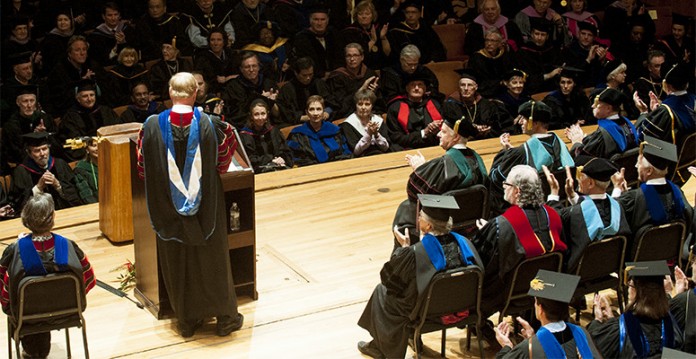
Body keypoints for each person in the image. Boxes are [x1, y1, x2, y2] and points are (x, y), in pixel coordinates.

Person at [136, 72, 243, 338]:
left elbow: (142, 169)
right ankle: (226, 319)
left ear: (170, 94)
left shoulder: (149, 127)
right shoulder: (215, 125)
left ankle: (187, 320)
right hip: (207, 205)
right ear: (196, 93)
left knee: (178, 261)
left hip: (167, 209)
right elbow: (222, 163)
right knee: (212, 259)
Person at [357, 194, 483, 359]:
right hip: (463, 309)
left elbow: (390, 281)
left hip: (426, 314)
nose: (417, 218)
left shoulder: (414, 253)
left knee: (382, 292)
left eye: (420, 217)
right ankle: (401, 340)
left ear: (428, 226)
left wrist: (402, 249)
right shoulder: (465, 243)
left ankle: (382, 349)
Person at [0, 193, 96, 358]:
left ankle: (31, 351)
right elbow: (89, 280)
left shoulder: (14, 250)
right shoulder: (69, 246)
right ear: (53, 217)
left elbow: (4, 293)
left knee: (25, 305)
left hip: (25, 317)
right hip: (68, 312)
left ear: (26, 218)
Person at [473, 164, 567, 320]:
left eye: (506, 184)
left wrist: (486, 231)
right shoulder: (554, 215)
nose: (503, 187)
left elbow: (484, 261)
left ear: (517, 191)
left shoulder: (502, 225)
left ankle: (480, 324)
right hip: (548, 288)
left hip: (510, 293)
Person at [391, 116, 486, 249]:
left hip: (445, 218)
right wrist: (427, 168)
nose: (438, 134)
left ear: (456, 137)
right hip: (471, 221)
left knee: (405, 208)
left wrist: (419, 169)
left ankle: (406, 256)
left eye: (443, 132)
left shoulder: (445, 163)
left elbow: (416, 194)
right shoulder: (478, 159)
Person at [543, 157, 631, 271]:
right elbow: (593, 211)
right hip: (608, 269)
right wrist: (572, 196)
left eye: (581, 177)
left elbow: (552, 218)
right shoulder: (618, 207)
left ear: (590, 183)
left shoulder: (574, 213)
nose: (578, 180)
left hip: (580, 274)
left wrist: (554, 192)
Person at [489, 100, 575, 216]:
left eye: (523, 119)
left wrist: (505, 153)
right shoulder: (561, 145)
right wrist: (512, 152)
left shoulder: (521, 152)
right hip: (559, 205)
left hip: (531, 212)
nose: (520, 122)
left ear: (534, 123)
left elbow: (496, 178)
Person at [610, 136, 693, 253]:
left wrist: (617, 189)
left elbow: (612, 217)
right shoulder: (678, 193)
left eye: (639, 163)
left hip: (640, 268)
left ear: (649, 171)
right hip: (671, 263)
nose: (636, 166)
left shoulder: (634, 198)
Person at [494, 270, 602, 358]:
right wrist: (534, 338)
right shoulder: (582, 333)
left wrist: (507, 346)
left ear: (540, 309)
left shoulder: (528, 349)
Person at [589, 261, 682, 357]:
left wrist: (597, 320)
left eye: (630, 284)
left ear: (636, 290)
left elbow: (591, 347)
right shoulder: (672, 322)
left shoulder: (621, 329)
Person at [8, 132, 81, 212]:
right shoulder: (21, 172)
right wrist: (38, 188)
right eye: (37, 151)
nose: (42, 154)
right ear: (29, 153)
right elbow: (17, 203)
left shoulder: (60, 164)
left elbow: (76, 193)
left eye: (44, 149)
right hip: (36, 218)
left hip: (64, 212)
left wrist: (57, 185)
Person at [635, 63, 696, 156]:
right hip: (691, 158)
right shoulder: (694, 99)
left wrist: (644, 113)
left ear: (667, 85)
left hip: (672, 161)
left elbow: (642, 140)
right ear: (687, 83)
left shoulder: (665, 111)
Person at [566, 88, 639, 159]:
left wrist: (577, 141)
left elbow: (582, 158)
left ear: (608, 108)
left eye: (597, 104)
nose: (592, 106)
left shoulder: (603, 134)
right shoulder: (627, 123)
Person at [58, 79, 120, 161]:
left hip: (111, 153)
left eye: (92, 95)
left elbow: (117, 132)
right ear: (78, 98)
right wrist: (90, 152)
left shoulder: (106, 111)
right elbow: (71, 143)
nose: (89, 99)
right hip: (86, 158)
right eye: (85, 96)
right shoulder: (71, 117)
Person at [442, 68, 514, 139]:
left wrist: (487, 130)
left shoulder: (486, 104)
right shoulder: (450, 104)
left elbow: (496, 125)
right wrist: (474, 128)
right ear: (459, 87)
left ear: (476, 87)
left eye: (469, 85)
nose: (466, 88)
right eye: (463, 85)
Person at [286, 95, 352, 166]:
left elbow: (345, 152)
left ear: (323, 111)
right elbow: (293, 157)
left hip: (336, 167)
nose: (315, 113)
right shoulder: (297, 134)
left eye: (318, 109)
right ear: (306, 112)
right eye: (311, 109)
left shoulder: (334, 130)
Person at [1, 85, 57, 167]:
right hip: (24, 166)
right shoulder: (11, 126)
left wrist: (45, 134)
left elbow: (57, 147)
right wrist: (34, 137)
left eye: (32, 101)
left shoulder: (45, 119)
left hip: (49, 162)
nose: (29, 105)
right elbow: (15, 154)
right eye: (25, 101)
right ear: (18, 103)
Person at [385, 72, 443, 150]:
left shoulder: (435, 104)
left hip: (432, 146)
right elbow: (395, 137)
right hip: (405, 148)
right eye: (413, 85)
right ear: (406, 88)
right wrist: (424, 132)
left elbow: (444, 131)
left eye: (420, 85)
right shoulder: (395, 107)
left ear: (425, 88)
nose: (416, 88)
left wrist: (436, 130)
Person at [221, 52, 279, 128]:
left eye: (254, 66)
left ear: (259, 67)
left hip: (270, 126)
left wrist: (271, 102)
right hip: (245, 129)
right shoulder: (232, 88)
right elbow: (235, 117)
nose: (251, 70)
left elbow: (278, 114)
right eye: (247, 67)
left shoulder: (268, 83)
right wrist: (260, 99)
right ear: (241, 69)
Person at [327, 43, 381, 119]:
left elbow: (379, 101)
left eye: (355, 55)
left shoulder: (370, 74)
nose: (352, 59)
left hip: (370, 112)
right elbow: (340, 104)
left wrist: (373, 93)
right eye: (348, 56)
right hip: (346, 115)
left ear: (362, 57)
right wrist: (361, 90)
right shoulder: (338, 76)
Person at [276, 57, 335, 127]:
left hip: (322, 121)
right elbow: (285, 111)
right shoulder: (287, 89)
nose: (308, 78)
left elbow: (332, 102)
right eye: (304, 75)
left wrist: (327, 112)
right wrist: (302, 117)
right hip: (298, 124)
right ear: (296, 73)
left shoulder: (319, 83)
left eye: (310, 74)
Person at [239, 98, 293, 172]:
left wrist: (282, 158)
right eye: (256, 114)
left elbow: (285, 151)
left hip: (279, 167)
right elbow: (250, 159)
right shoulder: (245, 135)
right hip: (259, 172)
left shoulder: (274, 131)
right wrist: (271, 160)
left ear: (267, 114)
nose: (260, 118)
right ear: (251, 116)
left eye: (263, 114)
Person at [514, 17, 563, 94]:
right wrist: (549, 75)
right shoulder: (523, 53)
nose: (539, 38)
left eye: (543, 35)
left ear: (547, 36)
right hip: (531, 93)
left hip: (552, 91)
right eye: (537, 34)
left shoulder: (552, 51)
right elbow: (526, 78)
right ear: (532, 34)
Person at [291, 6, 342, 80]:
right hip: (313, 77)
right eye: (316, 19)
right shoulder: (302, 37)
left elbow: (339, 55)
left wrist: (334, 72)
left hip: (335, 75)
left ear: (327, 21)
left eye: (323, 19)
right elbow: (303, 60)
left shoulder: (333, 34)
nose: (319, 23)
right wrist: (321, 74)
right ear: (310, 20)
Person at [338, 0, 391, 70]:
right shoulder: (349, 32)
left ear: (373, 15)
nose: (364, 16)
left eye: (367, 14)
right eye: (360, 14)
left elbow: (388, 53)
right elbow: (357, 57)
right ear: (356, 16)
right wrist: (372, 41)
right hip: (360, 69)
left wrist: (383, 38)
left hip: (380, 67)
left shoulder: (377, 28)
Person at [340, 89, 392, 157]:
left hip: (382, 156)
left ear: (372, 106)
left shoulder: (378, 120)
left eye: (367, 104)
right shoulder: (348, 124)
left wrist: (376, 134)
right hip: (361, 159)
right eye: (360, 104)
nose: (363, 107)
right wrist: (369, 135)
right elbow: (356, 152)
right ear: (356, 105)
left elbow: (386, 148)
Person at [466, 29, 514, 98]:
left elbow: (509, 73)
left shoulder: (504, 55)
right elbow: (476, 80)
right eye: (487, 40)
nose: (489, 44)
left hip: (504, 90)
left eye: (492, 41)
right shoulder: (476, 58)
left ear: (500, 43)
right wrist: (498, 83)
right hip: (484, 92)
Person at [86, 2, 136, 66]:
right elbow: (99, 58)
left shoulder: (128, 29)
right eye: (110, 15)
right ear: (103, 16)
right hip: (107, 68)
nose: (113, 18)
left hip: (128, 65)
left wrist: (124, 42)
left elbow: (135, 51)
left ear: (119, 15)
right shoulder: (96, 35)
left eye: (116, 14)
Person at [193, 28, 240, 95]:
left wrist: (227, 78)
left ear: (224, 42)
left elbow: (240, 73)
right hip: (211, 91)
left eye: (219, 40)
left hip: (232, 89)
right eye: (212, 40)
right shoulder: (202, 57)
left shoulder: (231, 54)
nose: (215, 43)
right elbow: (201, 78)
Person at [669, 252, 696, 353]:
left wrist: (673, 297)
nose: (692, 265)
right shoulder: (684, 301)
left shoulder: (683, 302)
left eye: (695, 262)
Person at [73, 137, 99, 204]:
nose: (97, 148)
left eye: (100, 145)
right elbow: (86, 194)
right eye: (94, 146)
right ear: (87, 150)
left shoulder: (111, 163)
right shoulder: (81, 169)